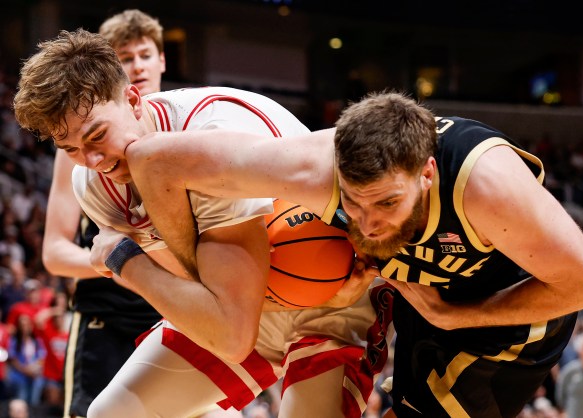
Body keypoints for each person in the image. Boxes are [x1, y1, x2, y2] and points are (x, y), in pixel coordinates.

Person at [122, 91, 583, 417]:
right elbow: (152, 159)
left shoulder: (486, 186)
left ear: (427, 174)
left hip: (511, 319)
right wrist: (196, 275)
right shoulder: (309, 166)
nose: (369, 222)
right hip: (426, 302)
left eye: (387, 203)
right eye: (353, 202)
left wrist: (463, 317)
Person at [13, 29, 392, 418]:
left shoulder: (213, 133)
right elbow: (197, 287)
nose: (92, 160)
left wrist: (124, 259)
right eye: (71, 148)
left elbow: (230, 333)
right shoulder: (93, 183)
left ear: (132, 99)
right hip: (241, 297)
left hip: (332, 297)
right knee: (111, 413)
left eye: (96, 136)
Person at [41, 10, 166, 418]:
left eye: (145, 55)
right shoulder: (79, 151)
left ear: (162, 60)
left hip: (174, 311)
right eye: (125, 58)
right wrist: (125, 261)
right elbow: (55, 253)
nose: (137, 66)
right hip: (107, 316)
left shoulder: (184, 128)